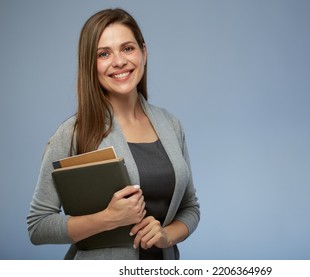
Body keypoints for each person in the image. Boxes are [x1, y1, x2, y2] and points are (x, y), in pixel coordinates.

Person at [27, 8, 200, 260]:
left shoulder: (171, 125)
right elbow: (38, 226)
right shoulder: (74, 132)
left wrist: (166, 235)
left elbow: (190, 207)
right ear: (90, 64)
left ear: (144, 51)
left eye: (127, 48)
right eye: (104, 54)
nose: (119, 61)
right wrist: (108, 219)